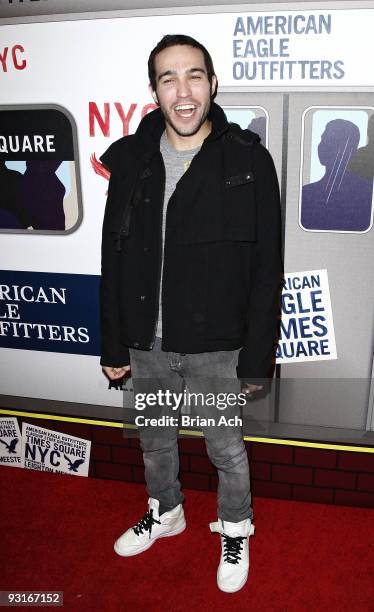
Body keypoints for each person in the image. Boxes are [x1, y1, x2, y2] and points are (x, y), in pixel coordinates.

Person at [99, 34, 282, 593]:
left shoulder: (248, 158)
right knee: (154, 439)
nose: (183, 91)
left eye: (194, 76)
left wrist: (256, 359)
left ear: (213, 83)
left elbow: (266, 267)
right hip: (145, 343)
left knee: (225, 447)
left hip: (217, 346)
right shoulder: (130, 158)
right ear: (153, 90)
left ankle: (234, 528)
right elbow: (113, 254)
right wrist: (113, 345)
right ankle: (166, 511)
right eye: (168, 78)